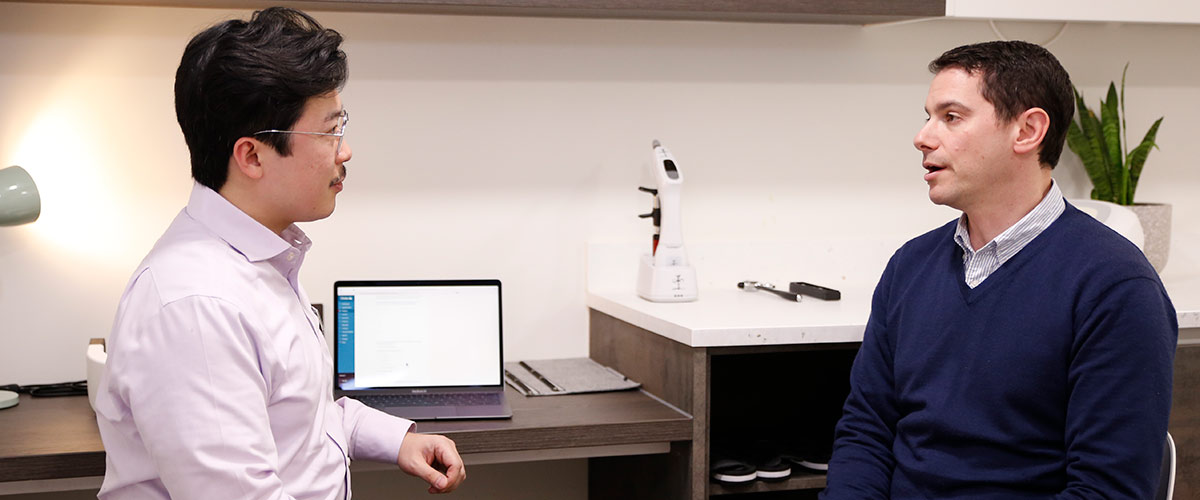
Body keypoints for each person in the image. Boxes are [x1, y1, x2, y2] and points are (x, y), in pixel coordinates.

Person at [94, 8, 465, 499]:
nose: (345, 150)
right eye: (330, 130)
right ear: (251, 156)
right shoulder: (198, 306)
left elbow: (296, 413)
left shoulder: (262, 257)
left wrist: (395, 439)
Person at [821, 40, 1177, 499]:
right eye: (928, 116)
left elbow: (1107, 491)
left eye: (951, 117)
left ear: (1027, 131)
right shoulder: (910, 266)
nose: (923, 136)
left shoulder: (1116, 287)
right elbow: (866, 433)